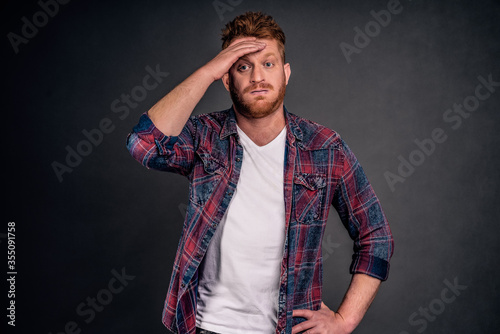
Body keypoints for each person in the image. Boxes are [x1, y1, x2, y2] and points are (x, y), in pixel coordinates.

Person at [127, 11, 394, 334]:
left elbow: (375, 235)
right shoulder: (204, 137)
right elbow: (144, 145)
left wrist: (345, 319)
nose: (257, 77)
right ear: (228, 79)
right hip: (209, 327)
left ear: (286, 73)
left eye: (268, 64)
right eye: (243, 66)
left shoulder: (325, 148)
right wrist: (209, 71)